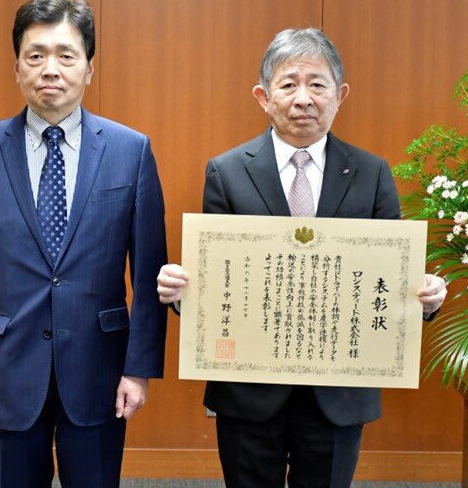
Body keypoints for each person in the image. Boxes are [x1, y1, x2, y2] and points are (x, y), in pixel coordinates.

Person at [156, 27, 447, 488]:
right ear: (263, 96)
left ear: (340, 95)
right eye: (288, 84)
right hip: (248, 391)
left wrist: (427, 296)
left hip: (337, 393)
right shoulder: (227, 171)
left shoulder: (371, 173)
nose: (303, 97)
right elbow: (217, 278)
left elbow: (395, 279)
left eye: (318, 83)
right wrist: (180, 292)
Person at [0, 0, 168, 488]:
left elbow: (151, 268)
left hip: (99, 371)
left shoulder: (131, 151)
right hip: (5, 369)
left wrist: (139, 370)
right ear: (17, 67)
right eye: (35, 55)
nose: (51, 69)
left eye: (66, 55)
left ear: (89, 68)